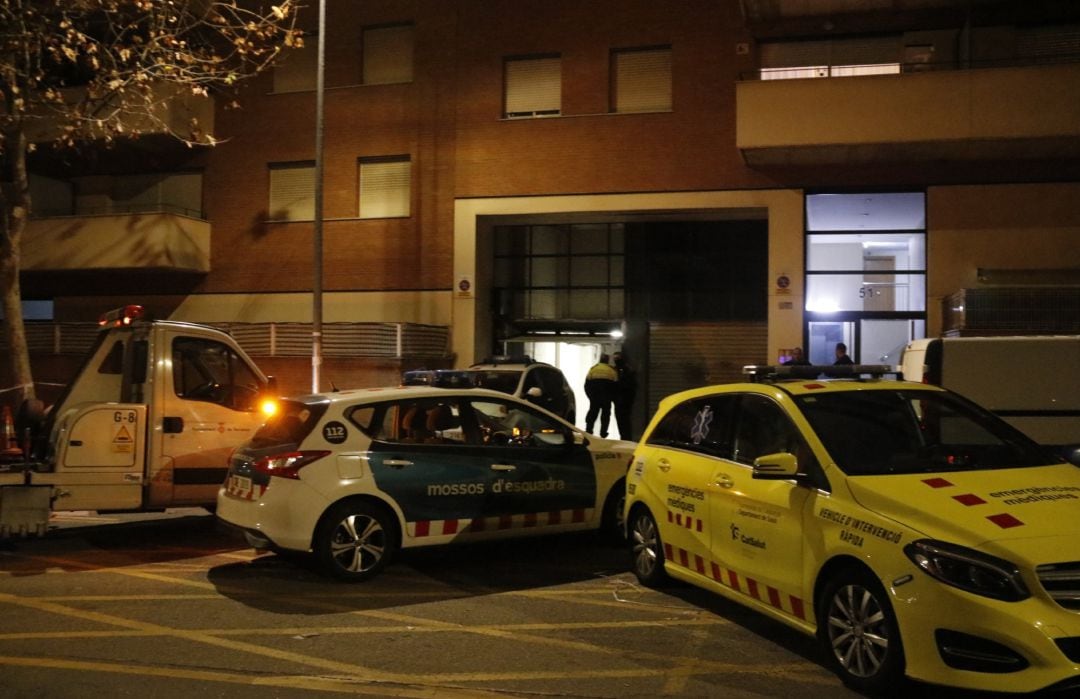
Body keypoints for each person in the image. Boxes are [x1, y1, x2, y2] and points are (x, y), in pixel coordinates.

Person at [583, 354, 617, 438]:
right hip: (606, 397)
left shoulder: (593, 369)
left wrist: (590, 396)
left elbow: (586, 385)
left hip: (595, 397)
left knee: (592, 413)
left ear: (600, 360)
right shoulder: (611, 370)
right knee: (605, 415)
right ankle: (603, 433)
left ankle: (589, 430)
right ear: (607, 360)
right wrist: (612, 397)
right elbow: (616, 386)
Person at [612, 351, 637, 440]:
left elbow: (629, 385)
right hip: (621, 400)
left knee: (624, 420)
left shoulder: (626, 370)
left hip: (624, 400)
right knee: (622, 420)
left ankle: (626, 437)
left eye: (617, 358)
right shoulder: (619, 370)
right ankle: (625, 437)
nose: (616, 360)